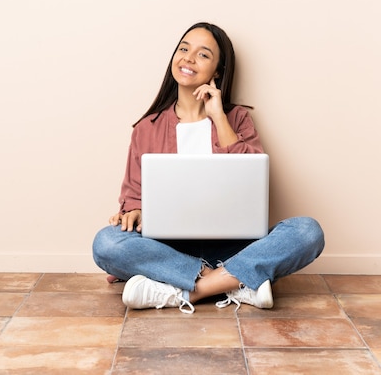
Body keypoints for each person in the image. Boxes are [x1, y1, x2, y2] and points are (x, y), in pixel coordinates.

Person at [93, 22, 324, 314]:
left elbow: (250, 183)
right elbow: (133, 198)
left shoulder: (237, 119)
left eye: (203, 55)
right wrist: (134, 213)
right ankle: (236, 283)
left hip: (234, 246)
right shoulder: (146, 128)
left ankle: (181, 291)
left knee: (307, 231)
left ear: (217, 71)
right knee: (106, 242)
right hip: (169, 249)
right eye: (184, 49)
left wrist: (218, 117)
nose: (188, 58)